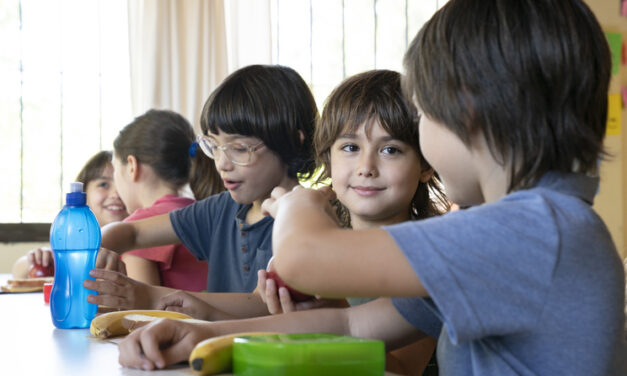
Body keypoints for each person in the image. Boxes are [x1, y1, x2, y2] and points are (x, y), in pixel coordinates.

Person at [115, 1, 627, 374]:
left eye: (422, 115)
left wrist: (299, 203)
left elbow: (302, 258)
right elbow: (353, 326)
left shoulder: (533, 231)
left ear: (466, 111)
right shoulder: (528, 229)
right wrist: (205, 335)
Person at [116, 69, 447, 374]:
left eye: (390, 150)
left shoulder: (431, 252)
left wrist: (330, 306)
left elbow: (399, 369)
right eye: (349, 147)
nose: (366, 166)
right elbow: (268, 310)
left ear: (427, 163)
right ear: (327, 157)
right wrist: (201, 318)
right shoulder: (324, 234)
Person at [83, 65, 318, 317]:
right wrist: (103, 246)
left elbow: (262, 305)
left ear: (293, 140)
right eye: (214, 146)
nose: (222, 163)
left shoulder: (304, 219)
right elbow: (131, 232)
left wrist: (150, 296)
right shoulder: (220, 210)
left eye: (239, 148)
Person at [111, 109, 222, 290]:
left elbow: (143, 312)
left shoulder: (139, 226)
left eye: (115, 168)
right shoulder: (201, 212)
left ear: (132, 166)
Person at [11, 151, 128, 279]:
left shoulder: (139, 249)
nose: (115, 194)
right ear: (84, 194)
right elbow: (18, 272)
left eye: (123, 184)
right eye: (103, 184)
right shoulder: (73, 243)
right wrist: (38, 259)